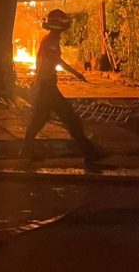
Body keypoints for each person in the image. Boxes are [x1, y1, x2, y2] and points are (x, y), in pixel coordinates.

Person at [20, 9, 108, 164]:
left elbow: (53, 61)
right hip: (47, 87)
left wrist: (76, 74)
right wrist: (76, 73)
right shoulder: (51, 41)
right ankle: (89, 152)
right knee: (70, 118)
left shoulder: (49, 40)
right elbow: (56, 61)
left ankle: (26, 151)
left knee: (39, 120)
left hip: (44, 86)